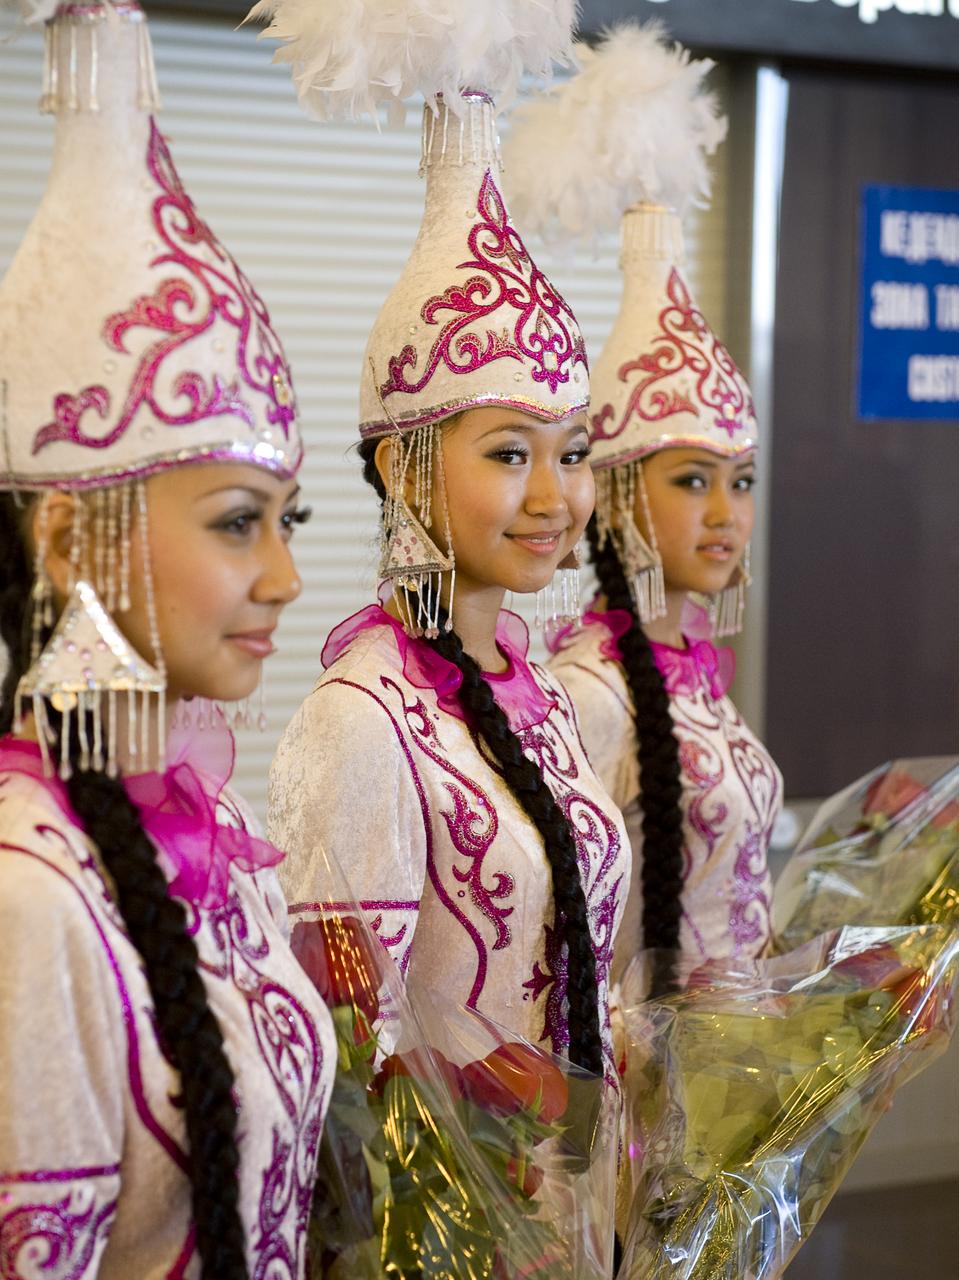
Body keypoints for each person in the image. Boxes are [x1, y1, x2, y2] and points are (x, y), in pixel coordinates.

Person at [0, 5, 334, 1277]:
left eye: (286, 520)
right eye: (241, 523)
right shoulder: (31, 902)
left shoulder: (222, 831)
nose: (288, 576)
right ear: (70, 543)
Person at [259, 15, 630, 1080]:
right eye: (511, 452)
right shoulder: (359, 722)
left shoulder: (543, 691)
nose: (556, 496)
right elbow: (337, 1076)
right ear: (402, 467)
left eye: (573, 453)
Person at [505, 24, 782, 985]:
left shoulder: (695, 671)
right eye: (690, 479)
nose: (724, 512)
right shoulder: (589, 692)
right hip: (644, 1103)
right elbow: (561, 942)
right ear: (618, 489)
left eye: (738, 481)